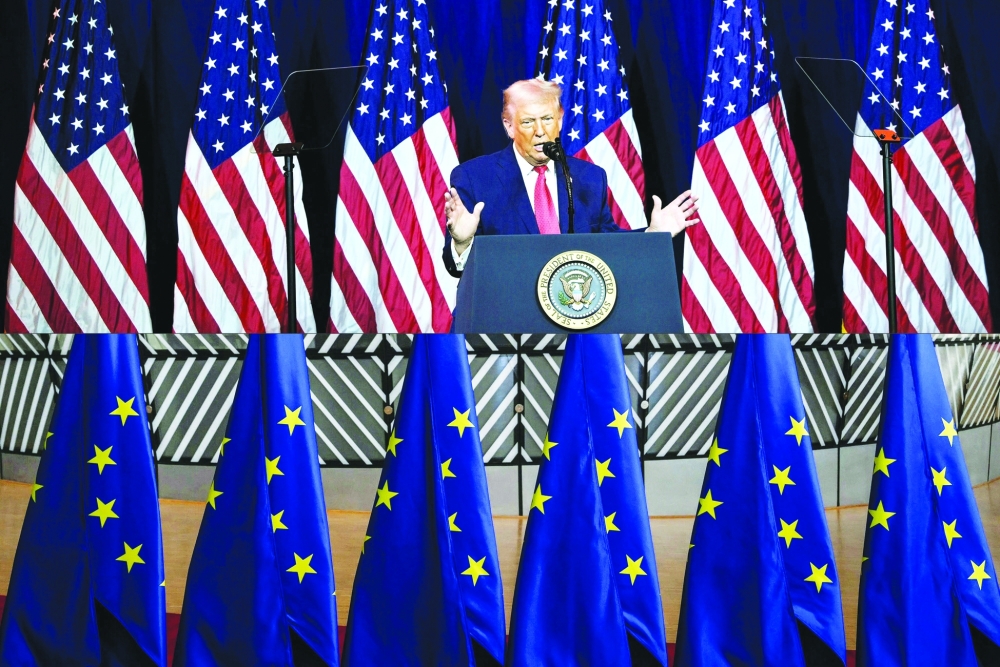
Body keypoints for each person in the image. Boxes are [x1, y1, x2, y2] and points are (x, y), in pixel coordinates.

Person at [442, 78, 699, 278]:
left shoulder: (588, 178)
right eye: (528, 122)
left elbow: (607, 245)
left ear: (560, 121)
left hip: (574, 318)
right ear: (509, 126)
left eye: (547, 119)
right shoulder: (475, 178)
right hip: (505, 328)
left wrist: (652, 235)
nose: (541, 132)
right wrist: (463, 243)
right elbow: (457, 269)